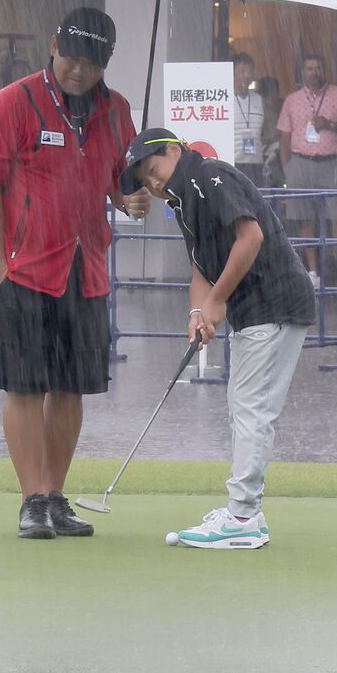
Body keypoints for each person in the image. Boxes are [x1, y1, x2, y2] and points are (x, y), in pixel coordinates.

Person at [0, 7, 140, 540]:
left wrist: (130, 197)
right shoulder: (13, 103)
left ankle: (55, 495)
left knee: (70, 388)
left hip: (86, 270)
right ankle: (30, 500)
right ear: (52, 45)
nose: (78, 70)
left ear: (106, 62)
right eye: (70, 57)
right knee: (23, 387)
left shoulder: (117, 112)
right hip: (23, 271)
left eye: (91, 61)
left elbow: (118, 179)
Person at [119, 127, 315, 550]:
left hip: (274, 302)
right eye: (145, 183)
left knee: (250, 410)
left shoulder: (208, 176)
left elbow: (251, 237)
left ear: (174, 150)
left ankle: (242, 516)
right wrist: (198, 311)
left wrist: (217, 301)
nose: (152, 184)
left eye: (153, 170)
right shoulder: (185, 201)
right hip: (257, 310)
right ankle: (248, 514)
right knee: (244, 406)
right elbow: (200, 271)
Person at [276, 54, 337, 291]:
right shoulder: (292, 100)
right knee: (305, 220)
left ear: (325, 71)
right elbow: (284, 135)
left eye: (318, 68)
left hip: (332, 163)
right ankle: (312, 272)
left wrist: (330, 125)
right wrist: (289, 168)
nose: (314, 72)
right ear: (302, 73)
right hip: (300, 163)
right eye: (309, 68)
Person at [231, 52, 265, 186]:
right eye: (241, 71)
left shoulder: (258, 99)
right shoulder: (224, 97)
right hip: (233, 161)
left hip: (255, 163)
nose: (246, 76)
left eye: (249, 71)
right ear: (232, 73)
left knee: (253, 202)